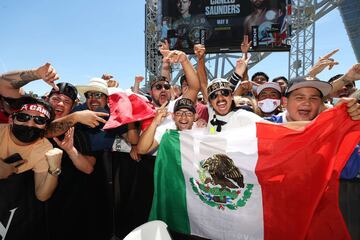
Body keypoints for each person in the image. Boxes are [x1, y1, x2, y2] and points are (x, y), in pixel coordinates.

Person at [0, 96, 62, 240]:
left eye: (39, 120)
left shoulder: (44, 146)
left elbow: (42, 195)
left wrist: (54, 168)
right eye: (23, 117)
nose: (29, 124)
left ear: (45, 127)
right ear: (11, 119)